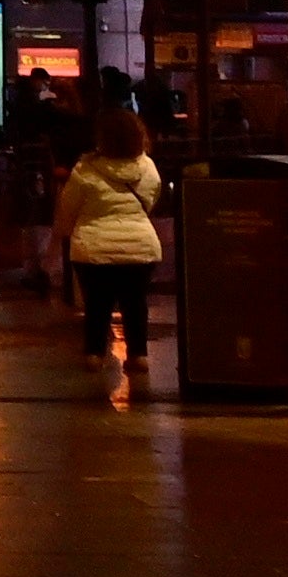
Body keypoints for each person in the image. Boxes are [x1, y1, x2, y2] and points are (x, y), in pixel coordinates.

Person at [62, 104, 171, 401]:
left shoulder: (85, 169)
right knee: (136, 302)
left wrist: (65, 232)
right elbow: (152, 198)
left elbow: (67, 209)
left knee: (97, 304)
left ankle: (95, 354)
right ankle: (139, 355)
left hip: (93, 248)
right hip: (139, 245)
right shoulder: (147, 167)